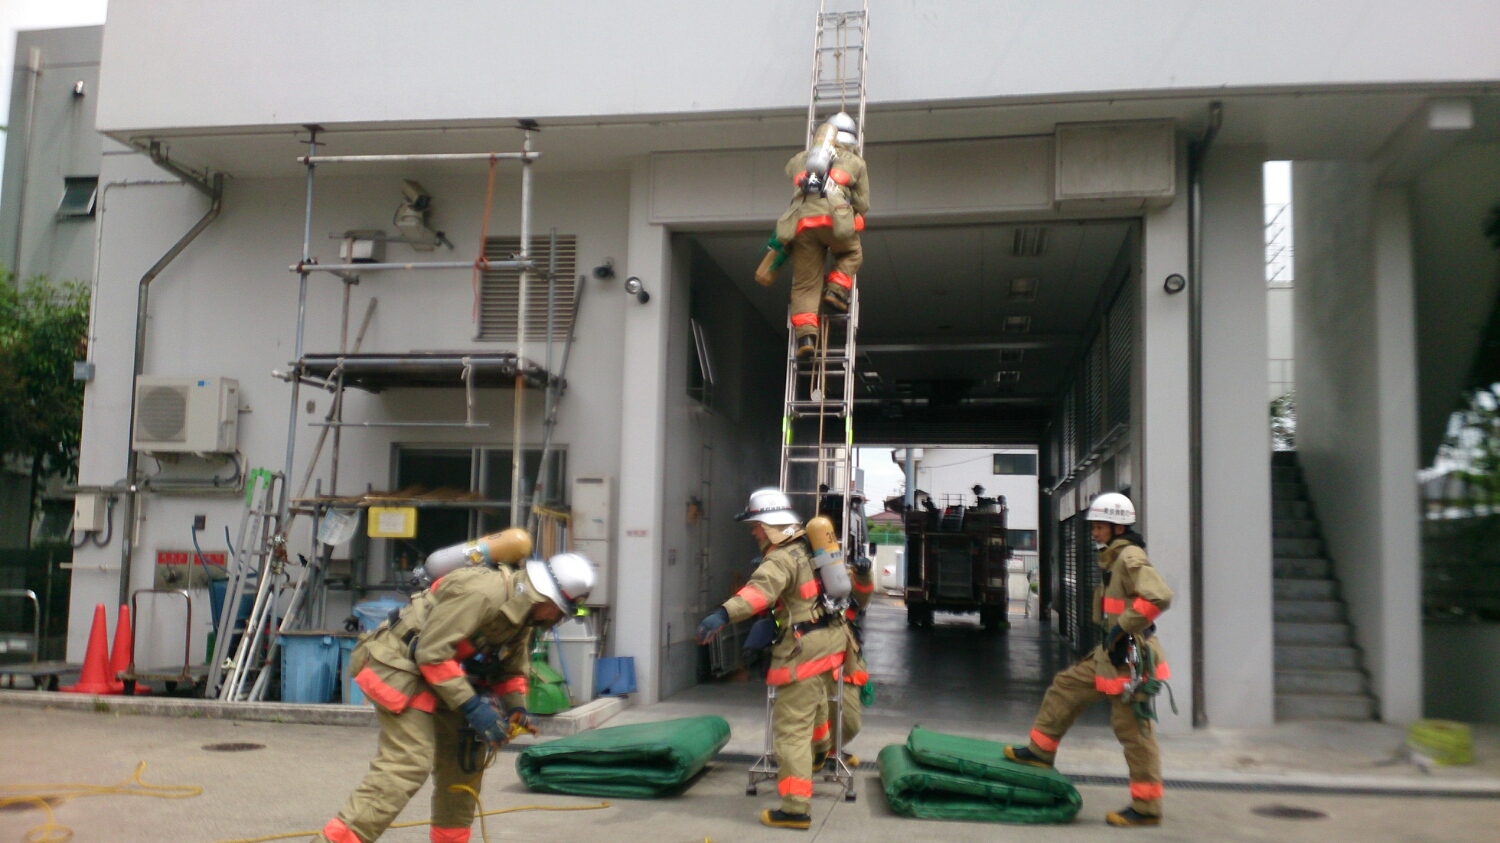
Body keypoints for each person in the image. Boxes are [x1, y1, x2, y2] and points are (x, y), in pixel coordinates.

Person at [315, 548, 596, 843]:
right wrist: (474, 707)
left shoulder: (525, 617)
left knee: (464, 765)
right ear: (545, 597)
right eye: (560, 611)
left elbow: (510, 670)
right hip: (400, 665)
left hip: (447, 676)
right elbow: (431, 653)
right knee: (409, 763)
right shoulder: (483, 594)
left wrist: (516, 709)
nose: (557, 619)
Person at [1005, 493, 1173, 827]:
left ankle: (1146, 808)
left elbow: (1159, 596)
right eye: (1093, 526)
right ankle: (1040, 751)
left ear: (1118, 527)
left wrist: (1123, 627)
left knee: (1133, 733)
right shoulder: (1113, 556)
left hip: (1130, 658)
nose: (1094, 533)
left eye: (1099, 526)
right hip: (1111, 655)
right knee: (1066, 687)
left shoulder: (1129, 556)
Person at [696, 488, 848, 830]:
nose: (753, 532)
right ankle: (820, 750)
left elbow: (758, 594)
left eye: (755, 525)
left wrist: (722, 614)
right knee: (816, 702)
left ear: (769, 524)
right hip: (830, 641)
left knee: (790, 730)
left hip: (804, 648)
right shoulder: (807, 546)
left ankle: (795, 809)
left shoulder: (780, 558)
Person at [755, 112, 871, 359]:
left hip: (801, 225)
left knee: (805, 283)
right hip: (834, 220)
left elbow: (790, 170)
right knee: (852, 253)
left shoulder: (800, 160)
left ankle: (806, 337)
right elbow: (863, 203)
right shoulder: (855, 162)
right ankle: (835, 291)